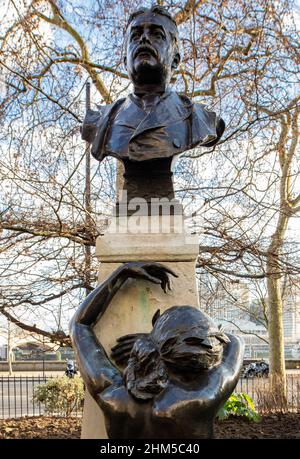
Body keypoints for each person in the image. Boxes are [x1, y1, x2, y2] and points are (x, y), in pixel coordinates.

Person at [70, 262, 244, 439]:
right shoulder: (205, 395)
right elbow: (234, 342)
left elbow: (79, 325)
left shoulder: (113, 396)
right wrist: (152, 340)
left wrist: (121, 274)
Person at [81, 5, 225, 203]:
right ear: (125, 60)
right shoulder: (101, 122)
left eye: (157, 34)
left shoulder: (199, 119)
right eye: (135, 35)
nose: (144, 39)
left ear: (175, 60)